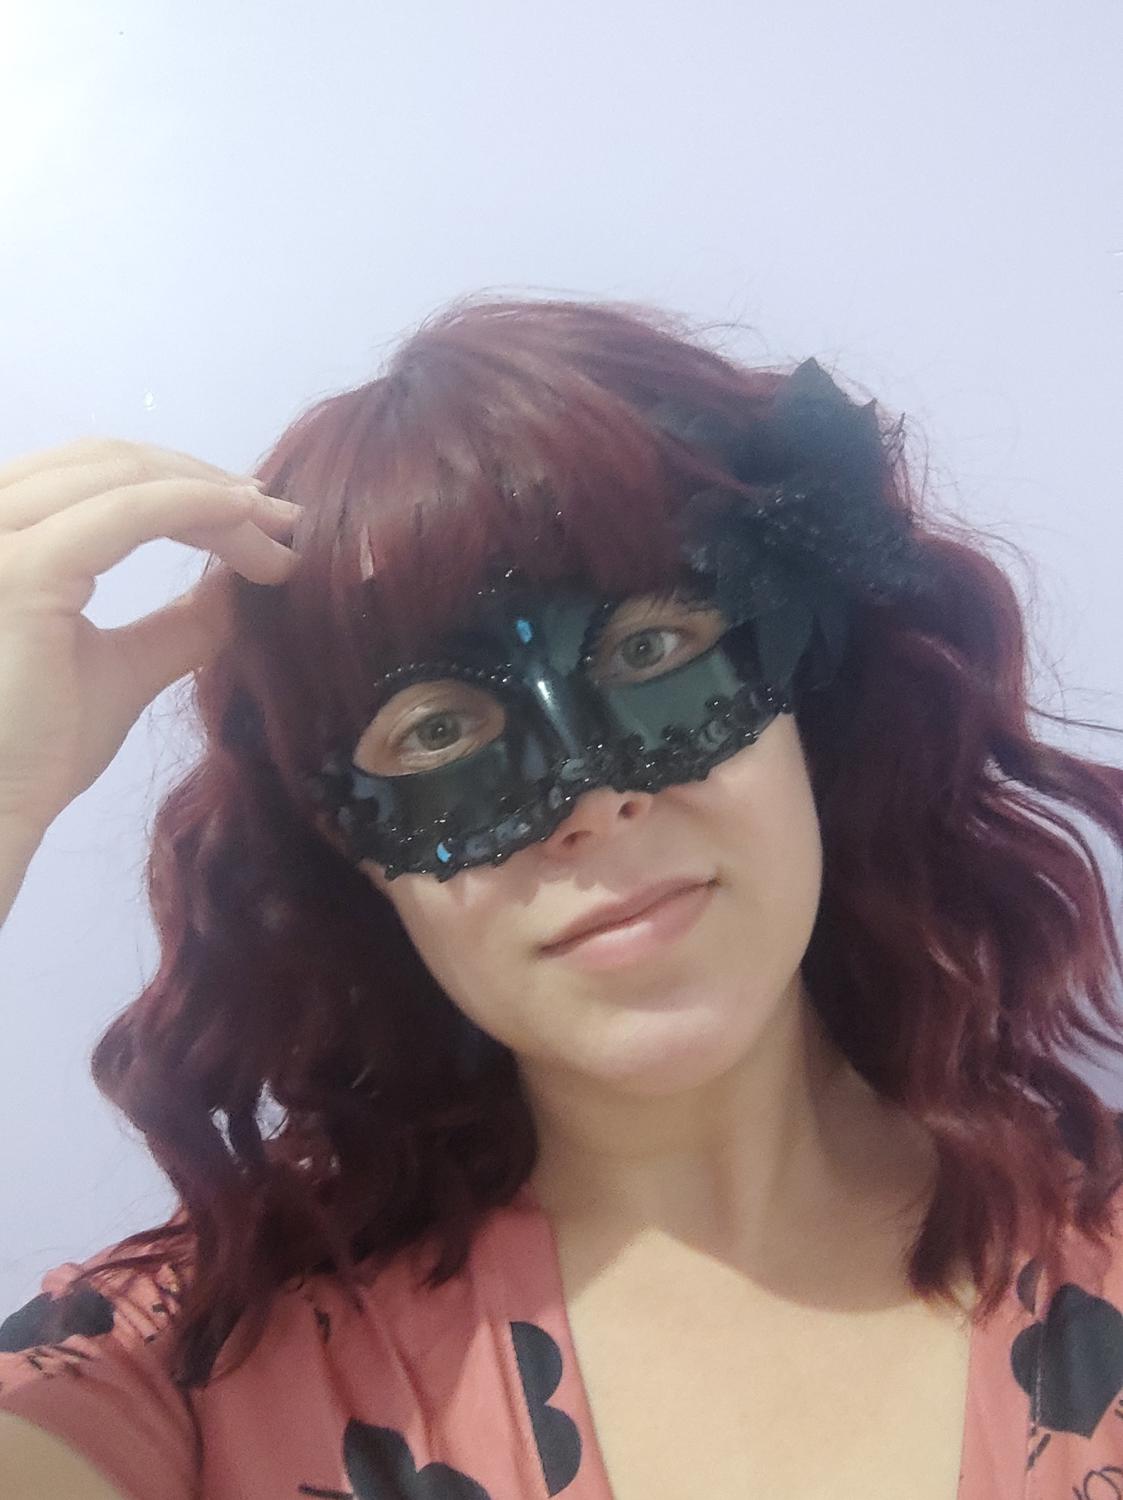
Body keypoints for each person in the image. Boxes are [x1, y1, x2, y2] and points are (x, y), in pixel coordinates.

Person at [0, 294, 1121, 1500]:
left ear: (801, 683)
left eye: (647, 653)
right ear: (355, 861)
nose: (588, 806)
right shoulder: (179, 1366)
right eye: (437, 734)